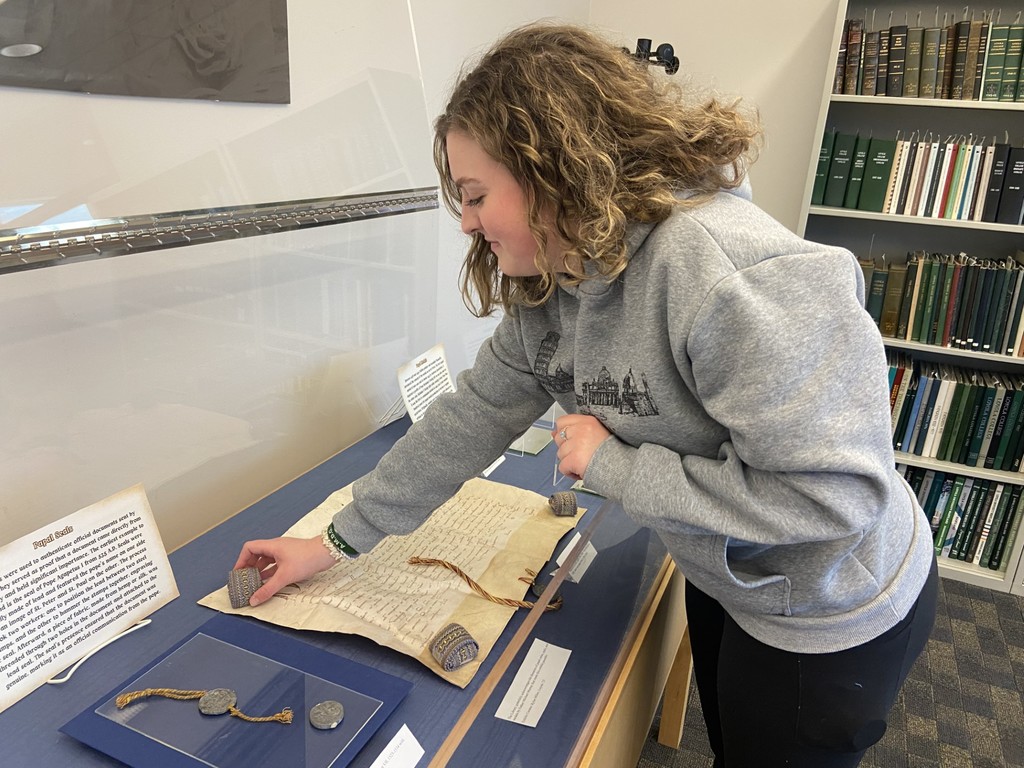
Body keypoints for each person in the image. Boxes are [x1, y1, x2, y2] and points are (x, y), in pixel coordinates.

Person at [235, 21, 937, 767]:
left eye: (474, 195)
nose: (465, 220)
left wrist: (613, 465)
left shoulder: (737, 278)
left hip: (830, 608)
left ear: (551, 171)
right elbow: (475, 412)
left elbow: (832, 497)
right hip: (732, 572)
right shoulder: (557, 275)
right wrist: (334, 540)